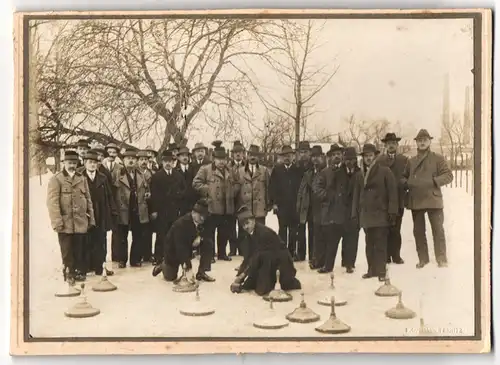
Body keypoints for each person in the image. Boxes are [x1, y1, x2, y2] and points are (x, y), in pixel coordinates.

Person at [403, 129, 453, 268]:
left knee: (438, 230)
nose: (422, 142)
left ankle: (441, 259)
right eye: (419, 140)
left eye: (425, 140)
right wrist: (407, 183)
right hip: (417, 199)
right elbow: (404, 176)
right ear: (416, 143)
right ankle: (423, 259)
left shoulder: (438, 158)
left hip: (433, 199)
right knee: (418, 231)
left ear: (430, 141)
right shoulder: (411, 161)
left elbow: (448, 175)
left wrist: (434, 181)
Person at [46, 150, 95, 283]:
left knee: (80, 249)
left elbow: (88, 200)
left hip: (80, 222)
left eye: (74, 162)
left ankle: (79, 271)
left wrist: (91, 218)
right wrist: (57, 222)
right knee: (67, 251)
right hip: (66, 223)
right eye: (69, 162)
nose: (72, 165)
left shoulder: (82, 179)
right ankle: (69, 273)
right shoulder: (56, 180)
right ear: (64, 163)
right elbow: (52, 203)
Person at [230, 206, 301, 296]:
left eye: (247, 223)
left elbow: (257, 257)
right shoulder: (250, 234)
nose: (246, 227)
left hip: (281, 263)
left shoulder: (263, 233)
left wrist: (243, 276)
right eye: (243, 225)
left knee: (261, 283)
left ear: (253, 220)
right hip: (269, 259)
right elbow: (248, 257)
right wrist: (239, 275)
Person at [352, 143, 398, 281]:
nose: (368, 158)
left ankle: (381, 271)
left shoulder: (385, 171)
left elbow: (392, 193)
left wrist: (392, 211)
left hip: (380, 214)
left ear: (375, 156)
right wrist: (355, 213)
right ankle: (371, 270)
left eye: (370, 155)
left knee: (380, 244)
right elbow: (357, 194)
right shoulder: (359, 174)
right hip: (366, 215)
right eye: (365, 156)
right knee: (369, 243)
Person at [193, 142, 241, 265]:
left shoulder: (230, 170)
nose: (221, 162)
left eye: (223, 159)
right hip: (212, 206)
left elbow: (237, 183)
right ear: (214, 159)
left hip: (226, 207)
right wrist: (208, 190)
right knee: (209, 232)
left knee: (224, 232)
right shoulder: (205, 169)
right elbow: (196, 183)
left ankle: (222, 253)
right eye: (219, 159)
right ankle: (210, 255)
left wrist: (232, 191)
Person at [152, 199, 215, 282]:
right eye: (201, 216)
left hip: (189, 245)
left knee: (208, 243)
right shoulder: (181, 225)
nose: (203, 218)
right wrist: (188, 269)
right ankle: (162, 265)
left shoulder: (204, 220)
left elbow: (208, 234)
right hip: (173, 251)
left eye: (205, 216)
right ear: (193, 213)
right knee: (170, 277)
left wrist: (201, 238)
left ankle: (201, 272)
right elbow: (181, 248)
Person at [81, 150, 118, 276]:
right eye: (90, 162)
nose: (92, 165)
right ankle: (86, 267)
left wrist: (112, 212)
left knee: (101, 241)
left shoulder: (103, 178)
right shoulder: (80, 177)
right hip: (86, 213)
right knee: (86, 240)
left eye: (95, 163)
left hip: (101, 213)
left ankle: (100, 267)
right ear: (85, 163)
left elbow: (109, 196)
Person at [113, 148, 150, 268]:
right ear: (123, 160)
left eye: (133, 159)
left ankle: (135, 259)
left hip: (138, 208)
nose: (131, 161)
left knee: (138, 235)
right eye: (128, 158)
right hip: (123, 209)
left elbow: (146, 189)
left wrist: (147, 194)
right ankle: (122, 260)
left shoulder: (140, 174)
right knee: (122, 235)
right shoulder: (118, 173)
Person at [377, 133, 410, 264]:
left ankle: (396, 255)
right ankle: (385, 256)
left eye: (393, 143)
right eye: (389, 143)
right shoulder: (379, 160)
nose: (391, 145)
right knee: (385, 229)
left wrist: (405, 183)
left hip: (399, 200)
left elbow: (409, 176)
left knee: (396, 229)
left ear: (397, 145)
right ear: (385, 145)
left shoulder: (404, 160)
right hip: (383, 201)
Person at [150, 150, 186, 265]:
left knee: (174, 234)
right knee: (161, 235)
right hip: (161, 210)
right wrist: (154, 210)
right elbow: (154, 195)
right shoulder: (157, 176)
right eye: (165, 161)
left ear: (173, 162)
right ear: (162, 162)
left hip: (174, 210)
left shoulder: (178, 175)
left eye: (170, 161)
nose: (168, 164)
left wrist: (178, 198)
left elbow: (183, 191)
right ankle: (158, 257)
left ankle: (172, 257)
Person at [269, 145, 302, 260]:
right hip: (281, 206)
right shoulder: (277, 170)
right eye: (284, 156)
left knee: (293, 231)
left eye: (289, 155)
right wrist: (274, 203)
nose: (287, 158)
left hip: (294, 206)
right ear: (281, 158)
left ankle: (292, 253)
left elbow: (301, 189)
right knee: (282, 230)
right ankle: (283, 253)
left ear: (293, 156)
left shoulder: (298, 170)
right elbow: (272, 188)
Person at [296, 145, 325, 266]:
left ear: (322, 157)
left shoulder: (326, 172)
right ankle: (307, 256)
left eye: (317, 156)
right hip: (308, 206)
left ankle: (317, 258)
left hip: (321, 206)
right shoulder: (308, 173)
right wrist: (299, 205)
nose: (315, 159)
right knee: (309, 230)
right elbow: (301, 191)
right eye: (313, 157)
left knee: (318, 234)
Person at [104, 142, 123, 263]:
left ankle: (116, 255)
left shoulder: (119, 167)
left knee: (117, 229)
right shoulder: (101, 165)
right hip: (104, 198)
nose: (111, 154)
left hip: (115, 199)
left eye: (114, 152)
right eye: (109, 152)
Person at [228, 140, 247, 256]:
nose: (238, 154)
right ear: (232, 154)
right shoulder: (228, 167)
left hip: (243, 201)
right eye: (236, 152)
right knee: (230, 226)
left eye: (240, 152)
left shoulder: (247, 167)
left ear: (243, 153)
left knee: (242, 226)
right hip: (231, 200)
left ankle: (242, 249)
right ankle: (232, 249)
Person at [137, 150, 154, 263]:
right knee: (138, 232)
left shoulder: (151, 173)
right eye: (141, 160)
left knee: (148, 231)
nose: (143, 162)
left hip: (149, 205)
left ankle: (147, 254)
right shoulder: (135, 173)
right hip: (138, 205)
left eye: (145, 160)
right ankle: (139, 254)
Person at [176, 146, 198, 216]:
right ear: (178, 158)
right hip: (180, 204)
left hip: (192, 202)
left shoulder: (194, 169)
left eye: (186, 155)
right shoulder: (175, 170)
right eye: (182, 155)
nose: (185, 158)